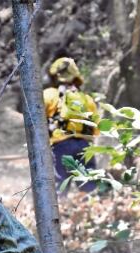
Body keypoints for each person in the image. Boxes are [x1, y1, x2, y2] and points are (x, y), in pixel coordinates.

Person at [42, 57, 99, 191]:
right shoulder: (87, 99)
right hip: (85, 146)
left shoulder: (47, 95)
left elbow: (37, 125)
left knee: (60, 188)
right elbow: (96, 130)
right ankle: (90, 208)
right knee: (89, 186)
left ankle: (62, 211)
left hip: (59, 146)